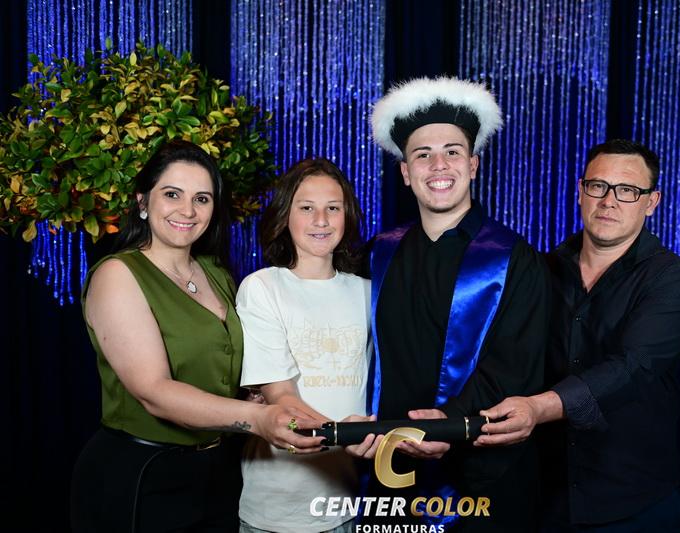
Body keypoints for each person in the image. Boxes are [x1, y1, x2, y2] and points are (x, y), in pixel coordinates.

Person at [71, 140, 324, 533]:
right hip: (144, 476)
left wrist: (250, 395)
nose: (188, 210)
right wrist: (258, 417)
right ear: (143, 201)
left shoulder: (215, 272)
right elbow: (153, 391)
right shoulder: (117, 275)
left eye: (201, 199)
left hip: (219, 472)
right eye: (172, 194)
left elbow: (220, 363)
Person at [477, 139, 680, 532]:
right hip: (544, 499)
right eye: (598, 186)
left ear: (652, 202)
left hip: (633, 502)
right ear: (580, 191)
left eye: (627, 190)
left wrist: (539, 408)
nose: (609, 201)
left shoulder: (671, 278)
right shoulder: (542, 271)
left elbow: (635, 367)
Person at [365, 77, 550, 531]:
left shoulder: (514, 258)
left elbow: (516, 367)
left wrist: (448, 423)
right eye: (422, 154)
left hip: (482, 479)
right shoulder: (378, 253)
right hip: (390, 468)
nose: (438, 165)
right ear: (405, 172)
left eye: (452, 151)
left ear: (473, 164)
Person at [236, 158, 376, 533]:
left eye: (333, 208)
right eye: (307, 208)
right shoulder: (263, 287)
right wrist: (342, 434)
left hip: (346, 501)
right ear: (285, 215)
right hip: (277, 506)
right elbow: (279, 395)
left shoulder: (369, 293)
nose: (321, 220)